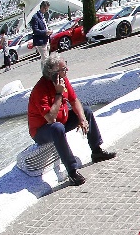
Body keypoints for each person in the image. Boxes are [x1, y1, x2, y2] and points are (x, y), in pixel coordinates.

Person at [27, 54, 116, 186]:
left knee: (86, 111)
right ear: (53, 73)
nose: (67, 70)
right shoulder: (40, 90)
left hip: (61, 121)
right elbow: (50, 119)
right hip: (42, 130)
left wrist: (82, 119)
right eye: (63, 69)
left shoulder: (63, 79)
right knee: (57, 128)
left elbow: (74, 100)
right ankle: (72, 171)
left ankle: (96, 151)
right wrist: (58, 93)